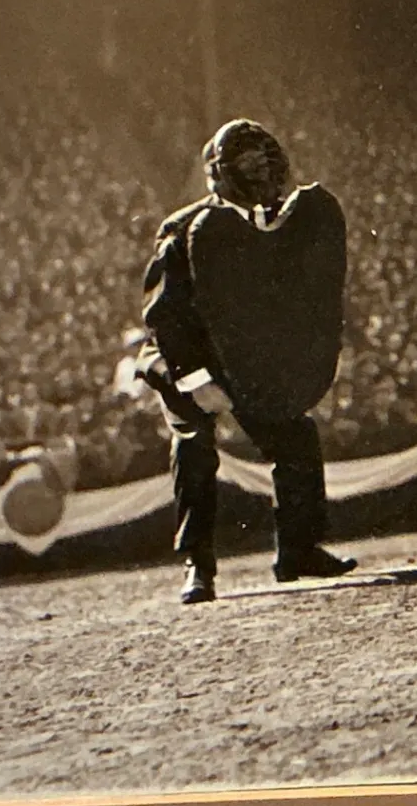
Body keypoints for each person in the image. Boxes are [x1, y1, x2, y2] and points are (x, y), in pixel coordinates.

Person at [136, 119, 357, 604]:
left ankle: (299, 549)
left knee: (295, 436)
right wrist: (196, 381)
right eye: (248, 163)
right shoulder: (183, 227)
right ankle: (198, 564)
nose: (260, 172)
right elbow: (164, 317)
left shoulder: (284, 225)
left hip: (248, 360)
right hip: (184, 356)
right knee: (194, 443)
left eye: (265, 160)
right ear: (221, 173)